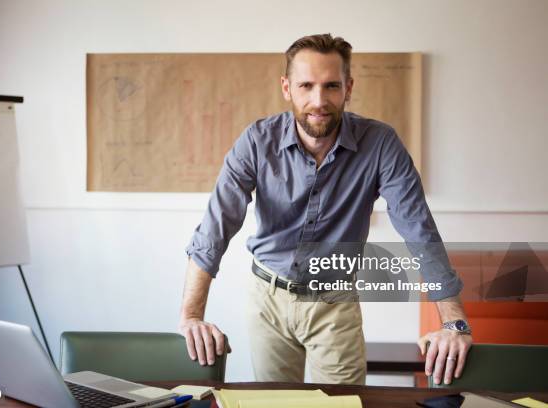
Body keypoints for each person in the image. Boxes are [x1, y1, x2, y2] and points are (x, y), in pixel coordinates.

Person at [179, 33, 472, 385]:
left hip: (335, 301)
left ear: (348, 87)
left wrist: (453, 322)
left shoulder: (380, 144)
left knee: (343, 405)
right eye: (306, 86)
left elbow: (418, 230)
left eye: (331, 86)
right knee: (274, 407)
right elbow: (215, 228)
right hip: (267, 301)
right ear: (287, 88)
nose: (319, 101)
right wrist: (191, 316)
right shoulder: (257, 141)